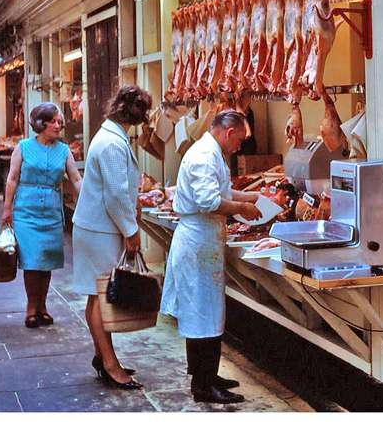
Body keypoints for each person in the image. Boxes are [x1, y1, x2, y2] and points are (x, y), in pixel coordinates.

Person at [161, 110, 262, 405]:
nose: (240, 147)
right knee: (202, 315)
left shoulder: (211, 151)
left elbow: (221, 190)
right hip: (197, 241)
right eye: (240, 140)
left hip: (204, 239)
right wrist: (242, 209)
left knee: (206, 314)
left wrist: (251, 198)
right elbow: (209, 201)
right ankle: (203, 386)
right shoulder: (205, 154)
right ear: (229, 133)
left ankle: (206, 375)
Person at [72, 85, 152, 390]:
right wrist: (131, 232)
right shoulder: (112, 143)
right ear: (135, 112)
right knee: (102, 296)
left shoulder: (110, 136)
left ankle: (101, 356)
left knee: (97, 295)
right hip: (100, 229)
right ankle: (110, 364)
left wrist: (135, 203)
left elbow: (119, 190)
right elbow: (116, 195)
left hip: (97, 227)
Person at [1, 103, 83, 328]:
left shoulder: (64, 150)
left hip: (52, 213)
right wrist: (7, 208)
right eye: (53, 121)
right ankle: (31, 306)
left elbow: (75, 179)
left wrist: (87, 202)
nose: (58, 126)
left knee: (47, 260)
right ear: (41, 123)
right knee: (31, 261)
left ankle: (43, 306)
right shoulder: (23, 147)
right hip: (26, 211)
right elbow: (12, 178)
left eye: (60, 122)